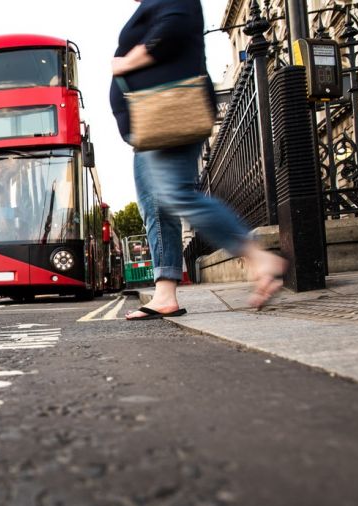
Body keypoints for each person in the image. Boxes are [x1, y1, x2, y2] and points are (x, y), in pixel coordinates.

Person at [111, 0, 287, 319]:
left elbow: (174, 25)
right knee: (156, 207)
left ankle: (257, 255)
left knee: (175, 194)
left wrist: (129, 60)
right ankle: (165, 294)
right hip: (148, 125)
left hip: (171, 112)